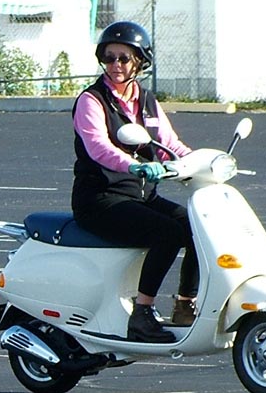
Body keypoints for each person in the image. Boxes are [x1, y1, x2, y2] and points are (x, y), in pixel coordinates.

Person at [70, 20, 198, 344]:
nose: (115, 65)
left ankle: (186, 303)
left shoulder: (147, 100)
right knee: (167, 232)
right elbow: (98, 146)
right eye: (109, 57)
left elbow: (169, 143)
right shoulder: (92, 100)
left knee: (196, 225)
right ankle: (142, 314)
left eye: (124, 58)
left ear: (140, 61)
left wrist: (200, 163)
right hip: (102, 198)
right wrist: (134, 166)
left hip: (141, 197)